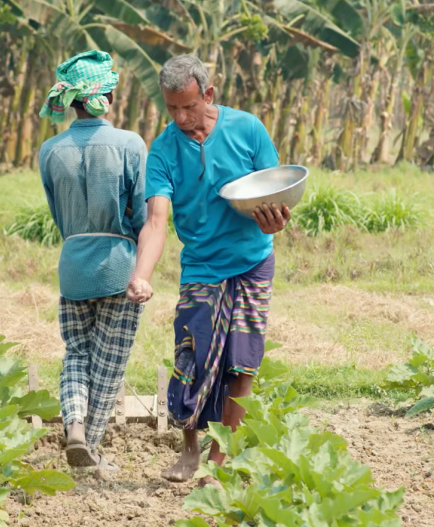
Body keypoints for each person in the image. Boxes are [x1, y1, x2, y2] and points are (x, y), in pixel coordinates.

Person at [126, 54, 291, 485]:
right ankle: (189, 447)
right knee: (192, 359)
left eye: (189, 107)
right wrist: (141, 275)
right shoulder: (162, 150)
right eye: (172, 108)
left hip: (253, 261)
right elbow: (157, 220)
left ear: (209, 94)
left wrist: (278, 217)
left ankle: (219, 457)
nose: (181, 117)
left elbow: (276, 191)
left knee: (242, 364)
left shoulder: (247, 129)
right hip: (201, 267)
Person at [38, 50, 148, 472]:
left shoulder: (50, 150)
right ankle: (93, 452)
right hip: (118, 265)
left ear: (73, 99)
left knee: (76, 355)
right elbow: (141, 216)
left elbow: (57, 214)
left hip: (73, 266)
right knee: (109, 361)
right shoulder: (129, 144)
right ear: (108, 96)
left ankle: (76, 427)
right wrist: (142, 268)